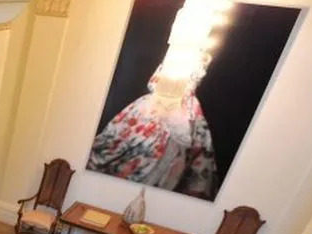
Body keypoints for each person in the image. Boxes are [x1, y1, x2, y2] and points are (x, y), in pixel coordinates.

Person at [87, 58, 219, 200]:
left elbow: (199, 173)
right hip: (117, 188)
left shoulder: (192, 120)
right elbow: (107, 145)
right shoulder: (142, 108)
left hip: (161, 192)